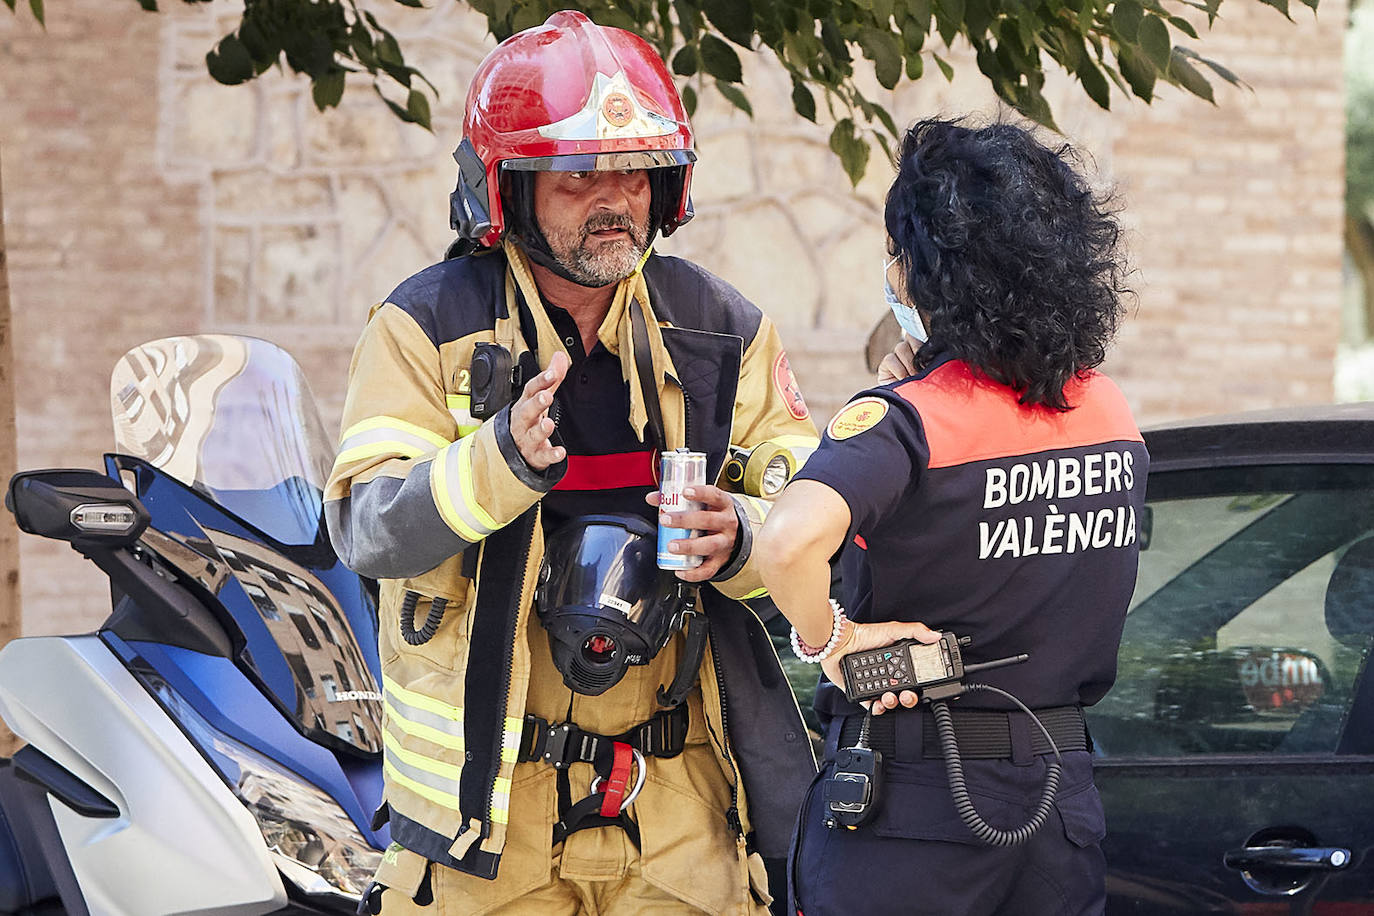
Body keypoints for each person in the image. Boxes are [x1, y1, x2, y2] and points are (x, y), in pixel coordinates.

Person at [323, 11, 820, 915]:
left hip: (680, 804)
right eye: (580, 173)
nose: (615, 197)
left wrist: (742, 534)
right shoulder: (424, 327)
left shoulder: (724, 330)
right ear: (506, 189)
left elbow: (809, 502)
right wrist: (497, 460)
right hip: (491, 818)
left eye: (634, 172)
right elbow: (364, 523)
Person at [754, 117, 1148, 916]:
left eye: (895, 258)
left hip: (912, 811)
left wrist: (834, 641)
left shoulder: (908, 424)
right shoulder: (1111, 413)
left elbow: (788, 538)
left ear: (924, 272)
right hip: (1056, 806)